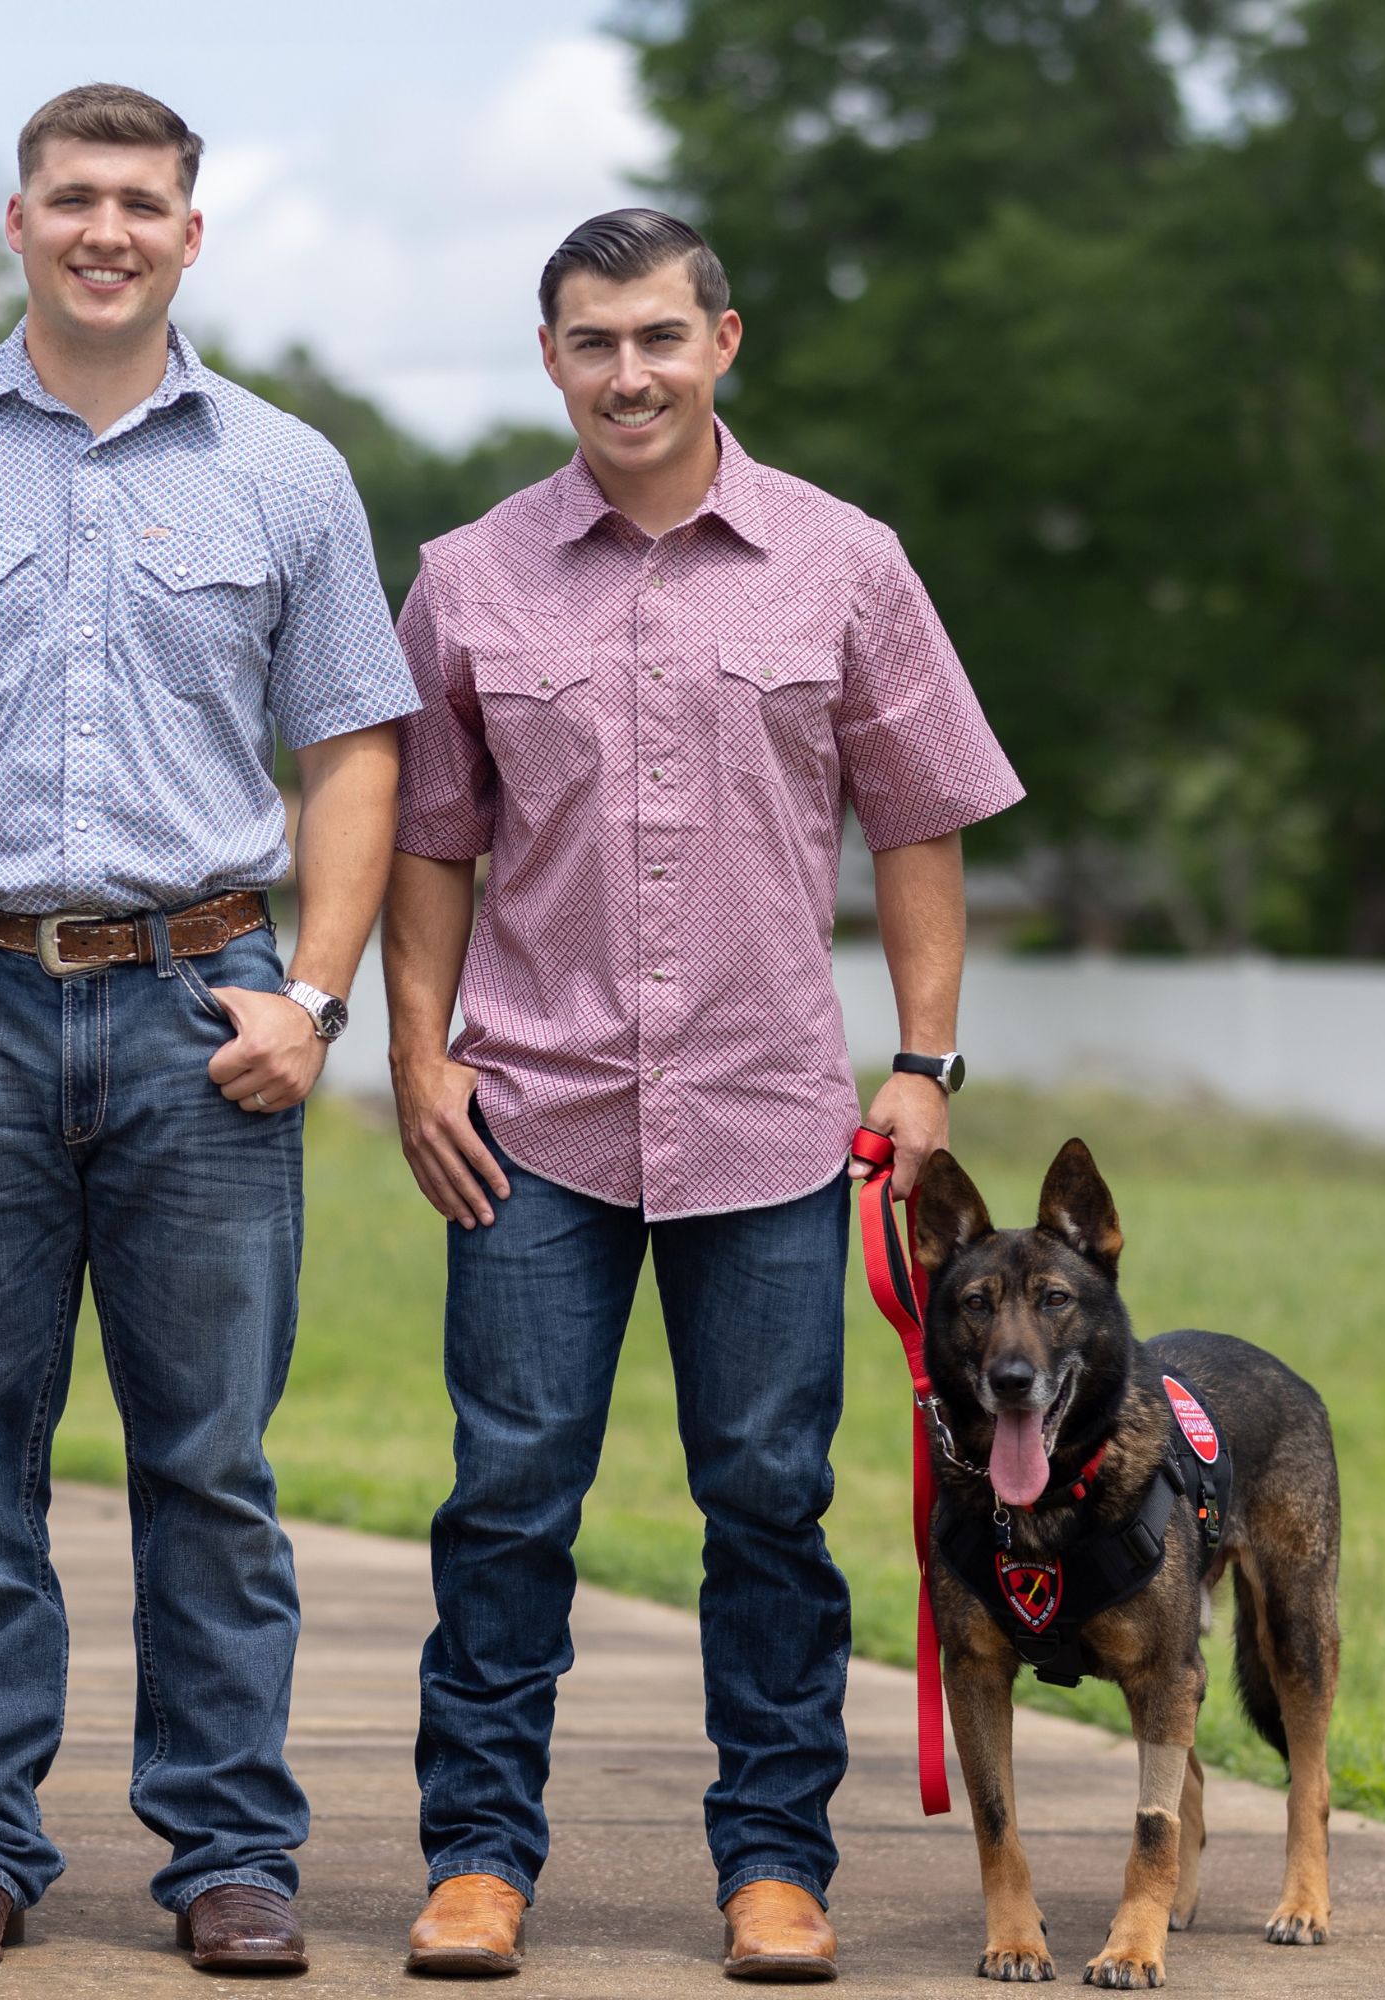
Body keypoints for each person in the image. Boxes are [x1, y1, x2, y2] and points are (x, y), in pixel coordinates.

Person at [0, 83, 415, 1977]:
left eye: (142, 202)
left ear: (191, 236)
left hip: (201, 1006)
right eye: (74, 199)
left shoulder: (285, 470)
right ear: (19, 224)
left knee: (210, 1462)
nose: (106, 229)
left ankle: (230, 1854)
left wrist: (317, 999)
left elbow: (356, 754)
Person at [383, 209, 1022, 1983]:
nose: (629, 372)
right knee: (507, 1496)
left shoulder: (846, 563)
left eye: (660, 336)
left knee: (768, 1498)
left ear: (723, 342)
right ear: (551, 360)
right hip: (535, 1117)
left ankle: (773, 1868)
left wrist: (923, 1062)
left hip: (764, 1118)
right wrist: (417, 1049)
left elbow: (921, 819)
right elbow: (432, 842)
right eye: (593, 342)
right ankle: (478, 1861)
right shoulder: (469, 576)